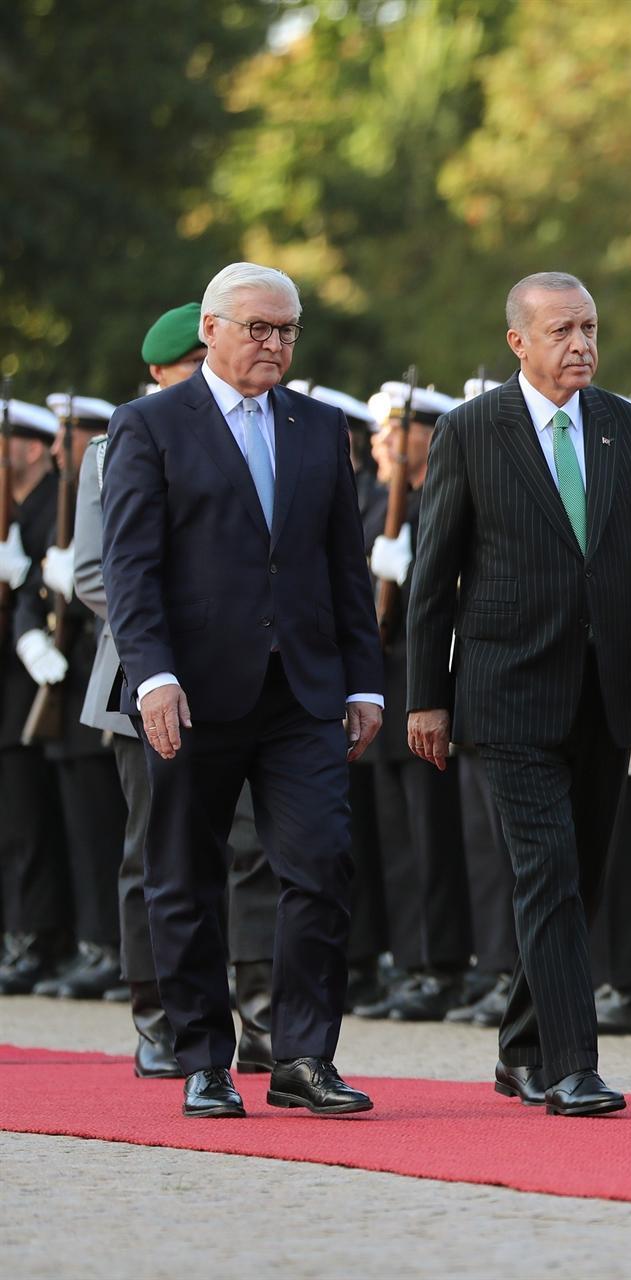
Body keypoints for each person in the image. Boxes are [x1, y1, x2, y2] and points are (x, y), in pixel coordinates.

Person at [406, 270, 631, 1117]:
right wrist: (424, 697)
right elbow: (434, 577)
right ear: (519, 343)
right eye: (561, 332)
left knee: (581, 875)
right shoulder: (472, 431)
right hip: (507, 690)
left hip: (607, 688)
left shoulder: (624, 426)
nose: (580, 345)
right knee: (548, 873)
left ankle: (519, 1050)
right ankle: (573, 1065)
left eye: (589, 328)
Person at [102, 261, 385, 1119]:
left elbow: (344, 567)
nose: (274, 344)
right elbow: (131, 568)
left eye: (287, 329)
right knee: (184, 875)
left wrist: (366, 682)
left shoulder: (317, 425)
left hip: (302, 691)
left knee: (323, 864)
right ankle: (203, 1060)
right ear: (211, 331)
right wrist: (151, 674)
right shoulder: (149, 425)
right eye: (258, 328)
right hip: (191, 690)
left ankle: (303, 1056)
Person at [359, 380, 477, 1021]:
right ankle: (411, 961)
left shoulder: (442, 497)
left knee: (434, 836)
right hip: (384, 684)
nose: (382, 445)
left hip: (430, 685)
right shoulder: (382, 503)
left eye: (395, 432)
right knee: (400, 838)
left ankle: (444, 964)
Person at [19, 395, 126, 1002]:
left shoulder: (62, 501)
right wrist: (31, 630)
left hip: (105, 670)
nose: (64, 450)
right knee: (83, 830)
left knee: (107, 828)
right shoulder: (51, 503)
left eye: (72, 435)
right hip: (66, 685)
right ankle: (92, 944)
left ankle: (108, 945)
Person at [0, 397, 71, 995]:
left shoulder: (54, 505)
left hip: (39, 688)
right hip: (16, 676)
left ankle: (37, 935)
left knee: (32, 821)